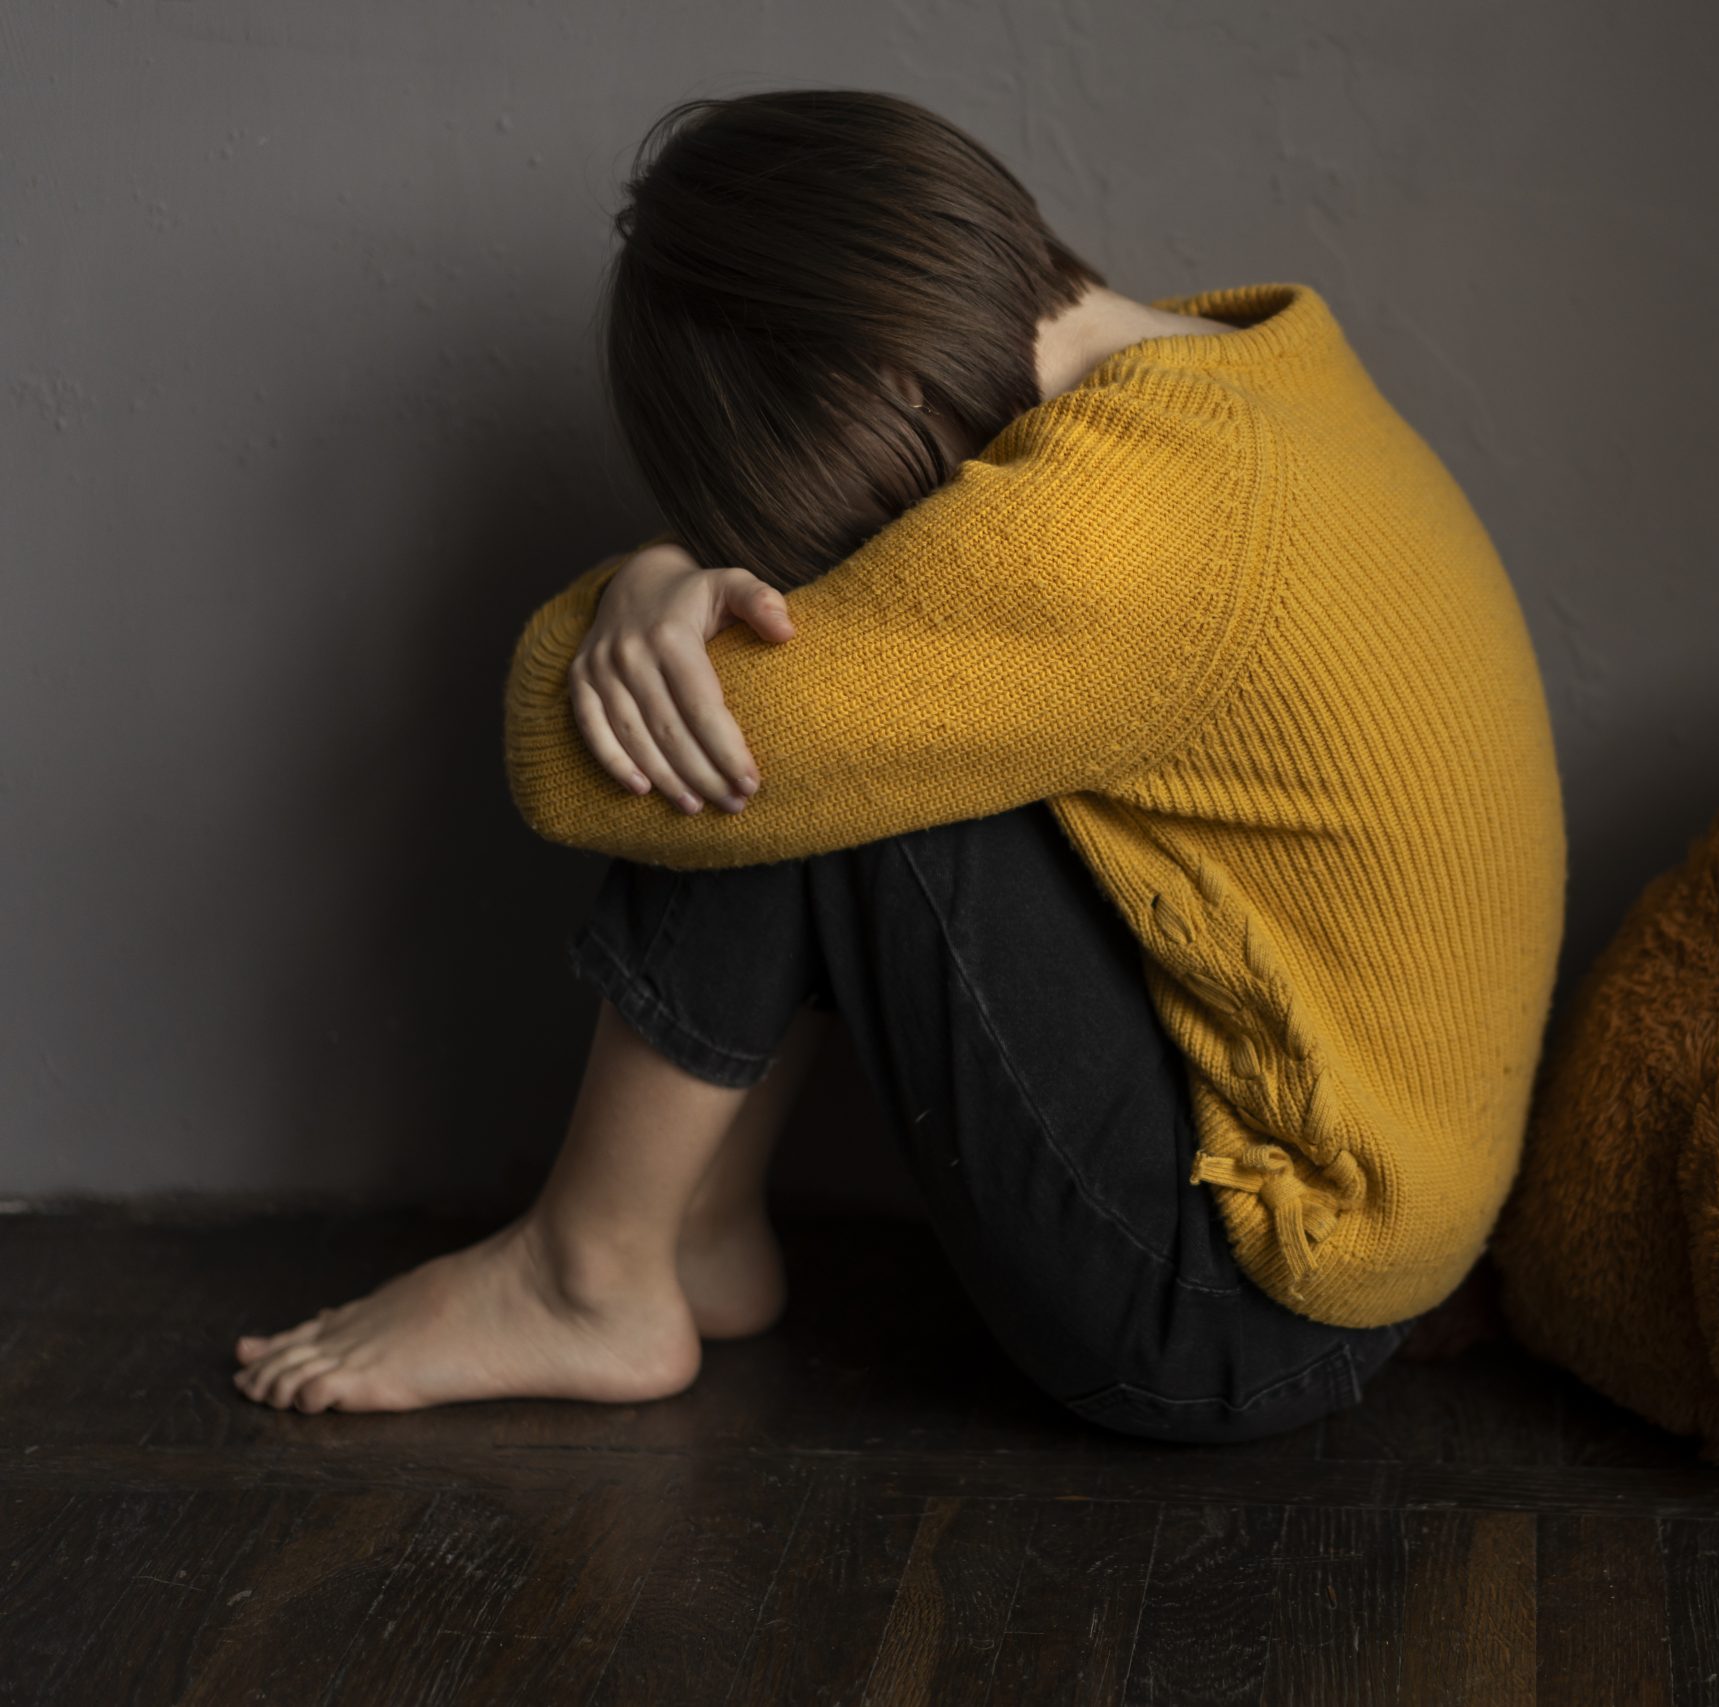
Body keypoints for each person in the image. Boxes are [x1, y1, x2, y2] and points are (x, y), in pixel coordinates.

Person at [231, 88, 1567, 1442]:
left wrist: (649, 586)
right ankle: (693, 1233)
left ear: (878, 392)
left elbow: (571, 761)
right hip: (1363, 1231)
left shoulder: (1120, 522)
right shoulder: (1239, 377)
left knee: (748, 734)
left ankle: (586, 1275)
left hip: (1243, 1305)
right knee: (807, 694)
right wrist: (667, 576)